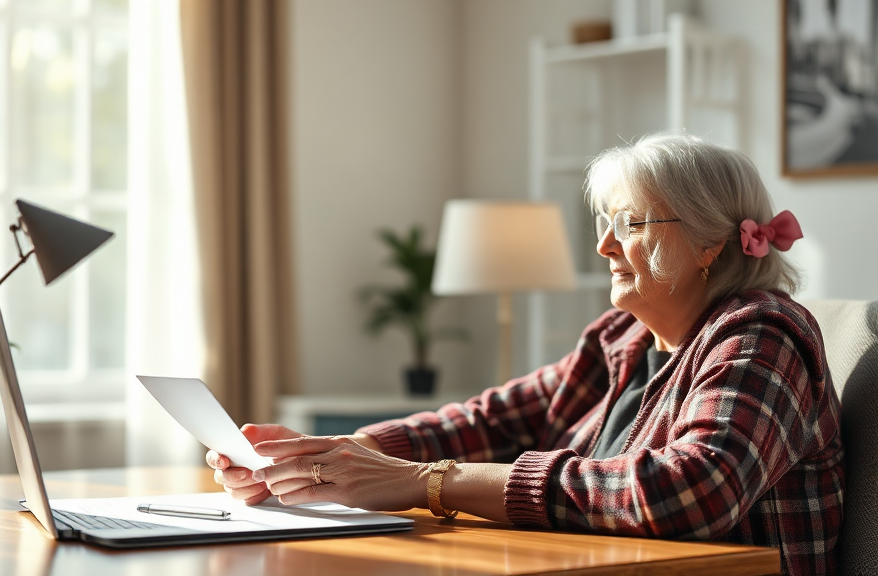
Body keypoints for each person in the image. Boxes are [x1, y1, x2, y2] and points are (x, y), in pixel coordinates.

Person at [207, 133, 844, 575]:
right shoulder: (619, 340)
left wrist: (426, 482)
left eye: (630, 224)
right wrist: (329, 457)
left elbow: (692, 491)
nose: (604, 246)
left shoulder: (763, 335)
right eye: (604, 223)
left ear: (710, 243)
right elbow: (488, 421)